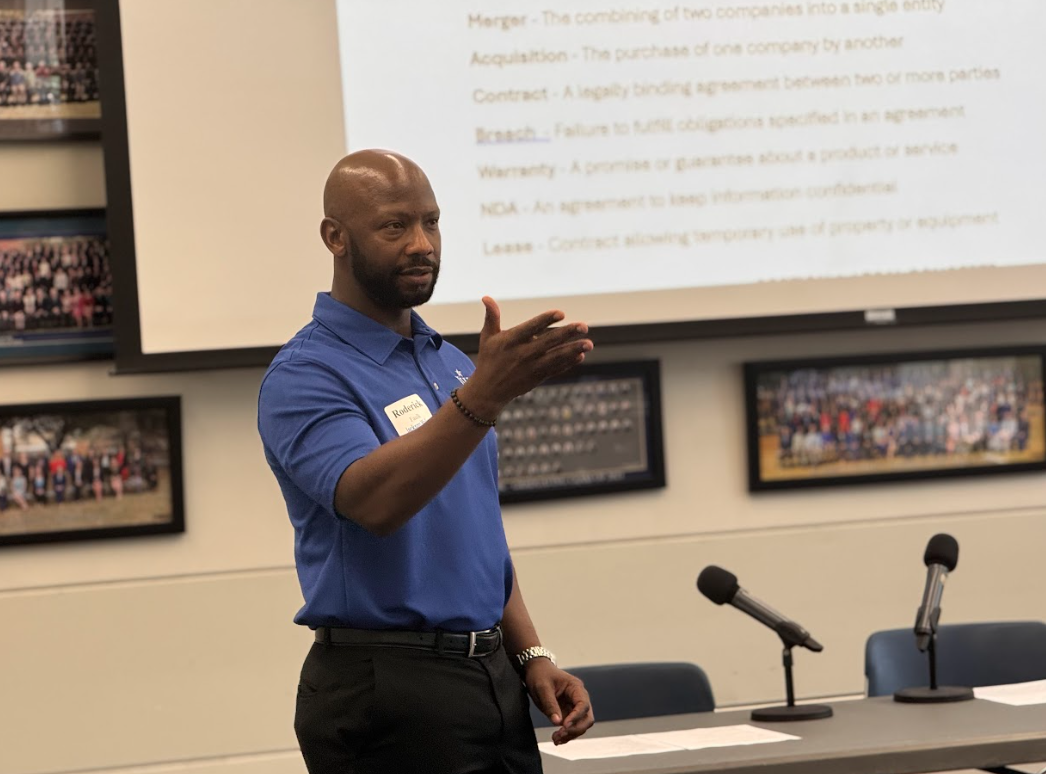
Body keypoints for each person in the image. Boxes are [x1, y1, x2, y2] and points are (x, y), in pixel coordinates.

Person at [257, 149, 595, 773]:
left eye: (432, 223)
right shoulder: (304, 375)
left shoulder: (451, 364)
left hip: (489, 676)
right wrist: (483, 398)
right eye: (395, 227)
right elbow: (373, 503)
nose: (421, 244)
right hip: (385, 683)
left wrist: (531, 655)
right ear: (335, 236)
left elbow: (476, 533)